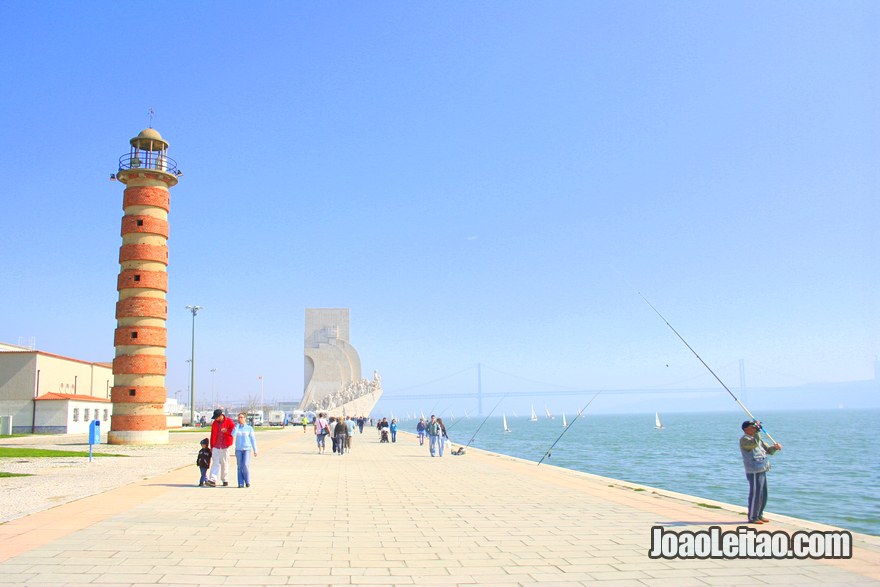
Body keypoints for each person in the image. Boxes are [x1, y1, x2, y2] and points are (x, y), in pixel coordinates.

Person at [739, 420, 782, 524]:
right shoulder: (744, 440)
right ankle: (753, 517)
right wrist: (758, 432)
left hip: (762, 469)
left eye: (755, 427)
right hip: (753, 470)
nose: (754, 429)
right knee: (755, 494)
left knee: (763, 494)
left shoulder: (758, 440)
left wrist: (775, 448)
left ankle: (759, 514)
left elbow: (769, 451)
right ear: (746, 429)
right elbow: (753, 444)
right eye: (752, 427)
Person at [206, 408, 235, 487]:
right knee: (215, 463)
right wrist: (212, 447)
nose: (216, 419)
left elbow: (233, 431)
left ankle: (225, 479)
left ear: (221, 416)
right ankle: (212, 479)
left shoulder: (229, 421)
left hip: (225, 445)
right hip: (216, 445)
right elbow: (212, 435)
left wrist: (227, 431)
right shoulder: (215, 423)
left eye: (217, 417)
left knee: (224, 463)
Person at [233, 412, 258, 488]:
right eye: (239, 417)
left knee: (245, 465)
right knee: (239, 466)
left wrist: (255, 450)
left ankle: (247, 480)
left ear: (245, 418)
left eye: (241, 417)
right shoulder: (237, 427)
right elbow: (233, 434)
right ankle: (240, 482)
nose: (240, 419)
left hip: (246, 449)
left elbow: (253, 439)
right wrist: (237, 426)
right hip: (238, 449)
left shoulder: (249, 428)